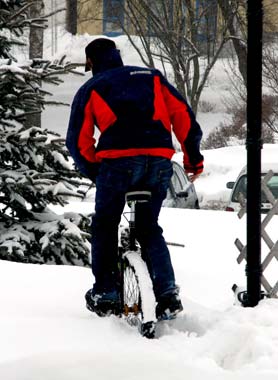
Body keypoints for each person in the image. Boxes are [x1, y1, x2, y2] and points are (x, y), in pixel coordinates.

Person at [66, 38, 204, 320]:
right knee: (148, 226)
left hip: (117, 163)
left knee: (105, 223)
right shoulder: (152, 77)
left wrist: (96, 171)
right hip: (158, 161)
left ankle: (106, 294)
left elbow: (78, 143)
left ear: (90, 63)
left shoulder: (91, 87)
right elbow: (183, 117)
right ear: (117, 56)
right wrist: (193, 159)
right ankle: (167, 294)